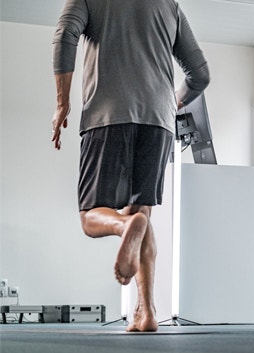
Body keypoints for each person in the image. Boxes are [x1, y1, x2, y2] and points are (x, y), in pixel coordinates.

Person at [51, 0, 210, 332]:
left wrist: (62, 103)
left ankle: (125, 226)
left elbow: (65, 34)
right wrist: (172, 101)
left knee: (91, 214)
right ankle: (147, 312)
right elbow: (200, 75)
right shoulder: (168, 5)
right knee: (143, 212)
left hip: (108, 115)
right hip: (159, 121)